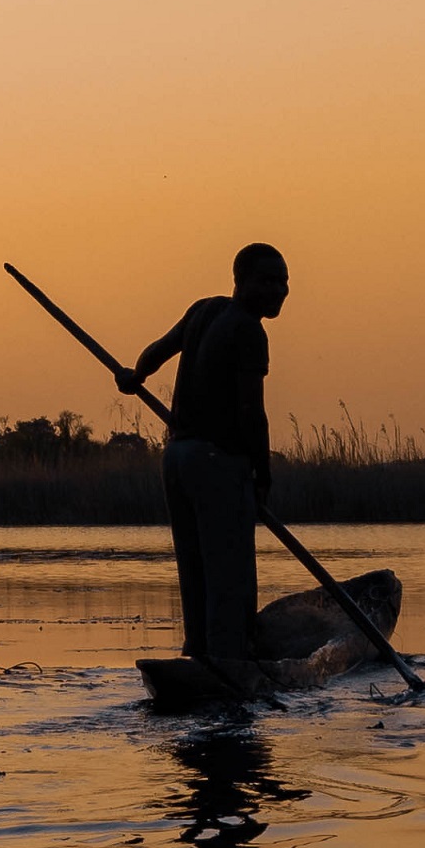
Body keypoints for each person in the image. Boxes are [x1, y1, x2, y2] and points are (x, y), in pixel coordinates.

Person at [130, 241, 287, 680]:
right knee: (228, 574)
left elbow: (152, 355)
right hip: (217, 462)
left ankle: (197, 653)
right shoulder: (249, 331)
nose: (280, 290)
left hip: (177, 457)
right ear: (241, 281)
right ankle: (227, 666)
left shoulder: (203, 310)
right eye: (269, 281)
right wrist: (262, 474)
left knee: (195, 568)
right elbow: (251, 412)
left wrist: (135, 376)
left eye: (285, 281)